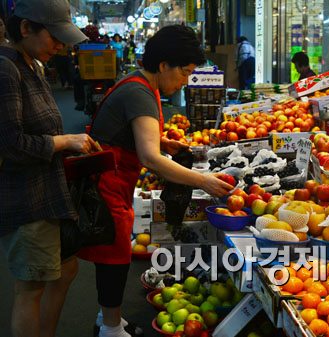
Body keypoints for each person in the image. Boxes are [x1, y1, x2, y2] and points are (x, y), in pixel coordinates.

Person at [77, 25, 233, 337]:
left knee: (113, 254)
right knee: (114, 257)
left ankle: (109, 319)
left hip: (112, 180)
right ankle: (109, 330)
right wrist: (202, 181)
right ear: (164, 65)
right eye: (185, 72)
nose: (186, 80)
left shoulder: (140, 85)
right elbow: (149, 159)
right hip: (108, 184)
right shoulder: (139, 92)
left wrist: (163, 142)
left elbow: (133, 135)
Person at [0, 1, 100, 337]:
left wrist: (72, 147)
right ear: (26, 28)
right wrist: (64, 143)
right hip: (26, 198)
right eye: (54, 36)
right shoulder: (6, 69)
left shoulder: (32, 65)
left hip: (48, 192)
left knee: (64, 269)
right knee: (30, 288)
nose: (60, 45)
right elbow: (10, 144)